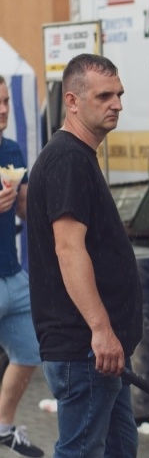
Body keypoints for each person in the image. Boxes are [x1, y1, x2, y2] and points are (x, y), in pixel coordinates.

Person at [27, 54, 142, 457]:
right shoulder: (68, 159)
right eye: (104, 96)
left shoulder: (76, 156)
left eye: (119, 94)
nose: (117, 104)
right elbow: (68, 249)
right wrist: (101, 330)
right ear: (72, 101)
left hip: (101, 352)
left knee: (120, 448)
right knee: (81, 451)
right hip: (85, 349)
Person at [0, 76, 44, 458]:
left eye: (5, 102)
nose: (3, 110)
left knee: (30, 351)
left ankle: (3, 427)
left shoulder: (11, 149)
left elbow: (26, 206)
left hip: (12, 276)